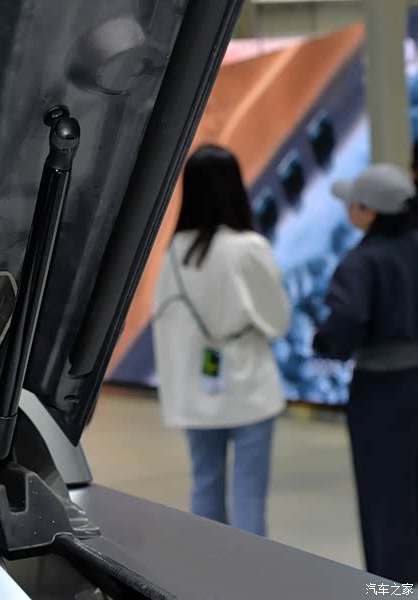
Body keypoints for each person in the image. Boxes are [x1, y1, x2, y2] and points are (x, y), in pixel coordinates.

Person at [153, 145, 290, 536]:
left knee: (205, 484)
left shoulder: (175, 252)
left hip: (195, 394)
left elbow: (167, 327)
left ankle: (208, 566)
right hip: (250, 389)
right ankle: (250, 571)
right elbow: (278, 320)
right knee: (249, 495)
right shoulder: (248, 248)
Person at [313, 163, 418, 583]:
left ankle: (392, 589)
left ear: (368, 211)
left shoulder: (362, 261)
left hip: (383, 393)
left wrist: (324, 343)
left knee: (385, 499)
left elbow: (345, 324)